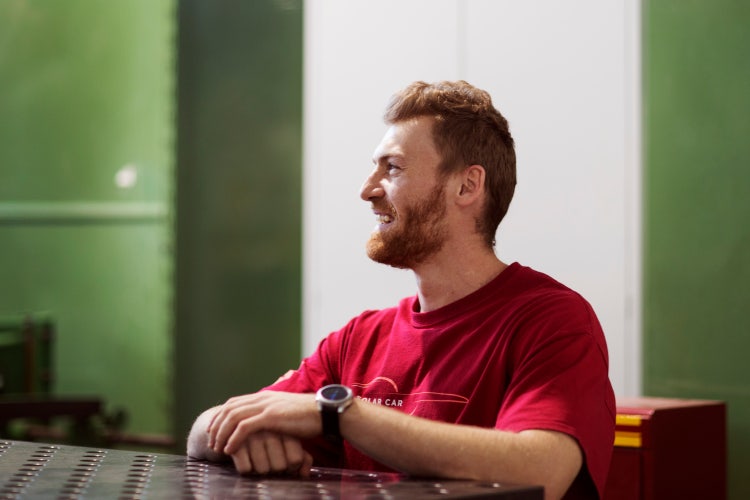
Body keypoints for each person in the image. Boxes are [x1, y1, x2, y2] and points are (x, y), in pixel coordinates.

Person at [187, 80, 615, 500]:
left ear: (467, 186)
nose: (367, 190)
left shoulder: (551, 320)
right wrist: (241, 434)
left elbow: (542, 470)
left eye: (391, 168)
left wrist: (341, 415)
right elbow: (210, 426)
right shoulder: (360, 338)